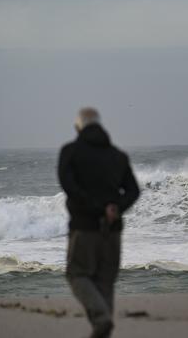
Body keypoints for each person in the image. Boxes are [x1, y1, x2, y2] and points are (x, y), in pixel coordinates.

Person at [58, 107, 140, 338]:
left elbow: (69, 186)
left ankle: (101, 319)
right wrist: (116, 208)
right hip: (112, 229)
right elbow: (133, 191)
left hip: (84, 227)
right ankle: (103, 328)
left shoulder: (71, 152)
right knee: (105, 281)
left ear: (79, 126)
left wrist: (96, 208)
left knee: (77, 275)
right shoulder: (118, 156)